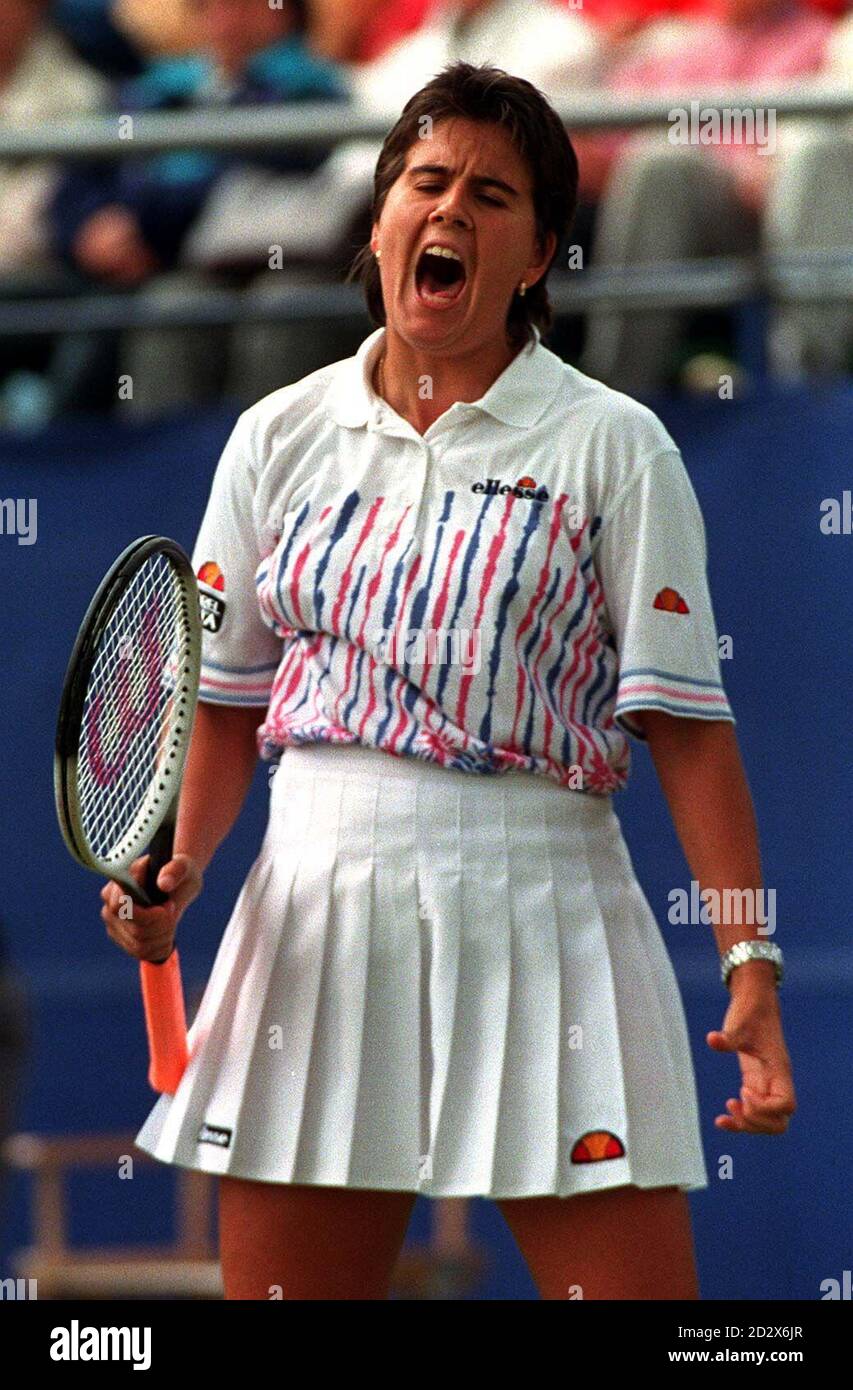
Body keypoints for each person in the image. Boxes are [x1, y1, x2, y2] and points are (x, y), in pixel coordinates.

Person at [100, 61, 796, 1301]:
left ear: (538, 254)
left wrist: (750, 961)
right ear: (376, 221)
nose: (450, 213)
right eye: (425, 183)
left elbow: (689, 731)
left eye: (491, 195)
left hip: (549, 913)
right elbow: (221, 707)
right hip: (317, 914)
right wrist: (182, 865)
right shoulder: (276, 436)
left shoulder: (617, 445)